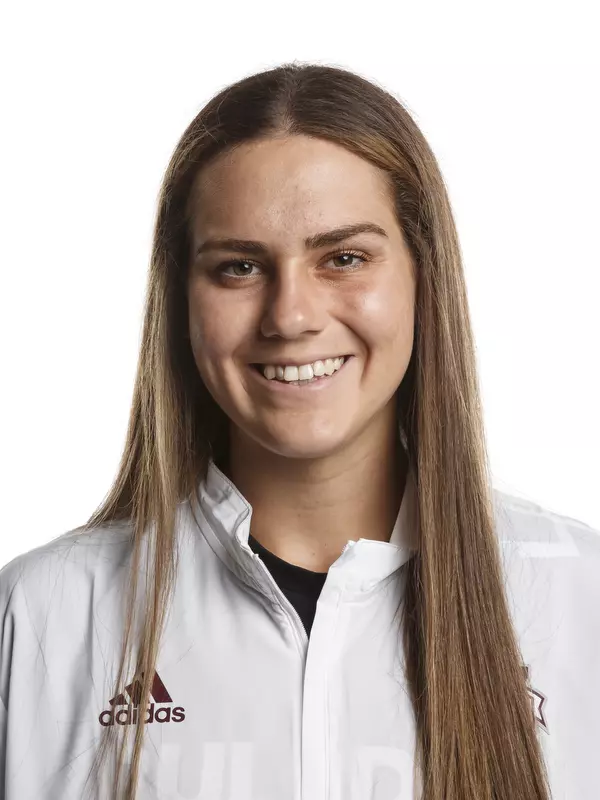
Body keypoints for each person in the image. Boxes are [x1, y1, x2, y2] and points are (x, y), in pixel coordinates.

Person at [0, 61, 598, 800]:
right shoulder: (42, 614)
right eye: (240, 267)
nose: (291, 316)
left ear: (422, 277)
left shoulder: (581, 598)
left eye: (344, 258)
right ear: (181, 300)